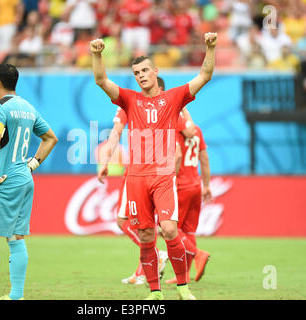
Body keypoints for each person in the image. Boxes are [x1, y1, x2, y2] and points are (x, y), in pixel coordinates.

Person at [90, 31, 217, 300]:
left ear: (155, 71)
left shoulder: (172, 98)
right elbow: (101, 79)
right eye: (137, 72)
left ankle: (183, 287)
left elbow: (205, 75)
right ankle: (155, 292)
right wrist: (97, 54)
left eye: (145, 70)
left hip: (162, 176)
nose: (141, 75)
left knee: (169, 229)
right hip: (136, 177)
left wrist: (210, 47)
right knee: (147, 235)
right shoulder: (128, 99)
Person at [0, 63, 58, 300]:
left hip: (4, 179)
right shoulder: (28, 108)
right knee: (16, 236)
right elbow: (51, 138)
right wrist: (32, 165)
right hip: (25, 178)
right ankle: (16, 295)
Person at [97, 77, 170, 286]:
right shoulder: (166, 105)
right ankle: (142, 270)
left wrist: (105, 159)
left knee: (127, 222)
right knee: (145, 224)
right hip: (157, 172)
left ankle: (156, 256)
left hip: (140, 172)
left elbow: (116, 131)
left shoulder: (132, 102)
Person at [165, 113, 212, 284]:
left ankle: (198, 254)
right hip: (195, 185)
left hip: (180, 186)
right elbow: (205, 160)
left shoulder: (176, 126)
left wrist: (168, 183)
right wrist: (206, 185)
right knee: (188, 230)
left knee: (168, 227)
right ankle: (183, 276)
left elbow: (177, 156)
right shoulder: (197, 130)